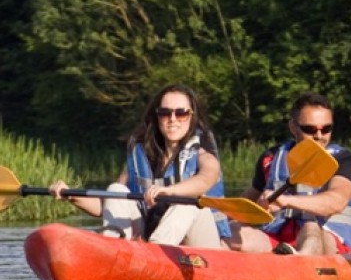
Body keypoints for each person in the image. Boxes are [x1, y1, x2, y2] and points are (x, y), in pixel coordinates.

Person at [49, 84, 231, 249]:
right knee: (116, 188)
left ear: (192, 116)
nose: (172, 119)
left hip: (203, 247)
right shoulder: (141, 158)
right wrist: (70, 194)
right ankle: (111, 246)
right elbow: (107, 203)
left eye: (181, 113)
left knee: (188, 201)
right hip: (155, 242)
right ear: (157, 117)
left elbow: (204, 180)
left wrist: (169, 191)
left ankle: (156, 250)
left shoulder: (205, 158)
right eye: (165, 113)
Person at [240, 92, 351, 255]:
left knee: (310, 227)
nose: (319, 136)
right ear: (293, 127)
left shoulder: (344, 160)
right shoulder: (270, 158)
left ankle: (299, 261)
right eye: (309, 129)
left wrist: (286, 200)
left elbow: (336, 202)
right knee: (235, 230)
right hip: (276, 239)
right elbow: (246, 203)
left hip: (327, 241)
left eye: (326, 129)